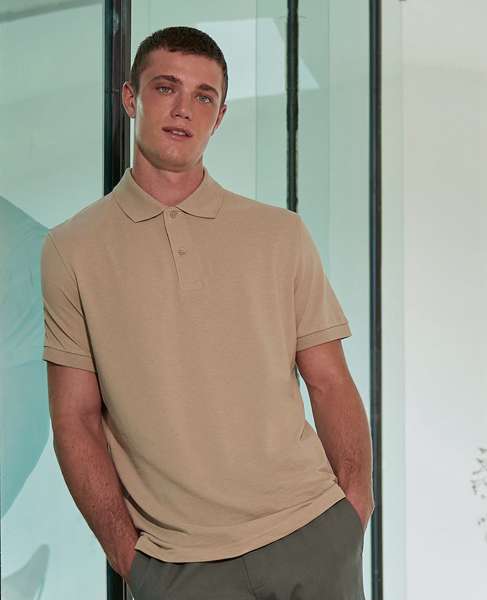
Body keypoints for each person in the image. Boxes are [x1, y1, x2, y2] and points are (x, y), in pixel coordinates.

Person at [40, 25, 374, 599]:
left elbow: (330, 380)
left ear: (218, 117)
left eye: (203, 96)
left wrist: (354, 508)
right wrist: (130, 560)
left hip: (311, 534)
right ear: (130, 98)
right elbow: (75, 419)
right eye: (165, 87)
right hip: (180, 567)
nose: (183, 109)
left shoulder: (279, 234)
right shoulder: (72, 249)